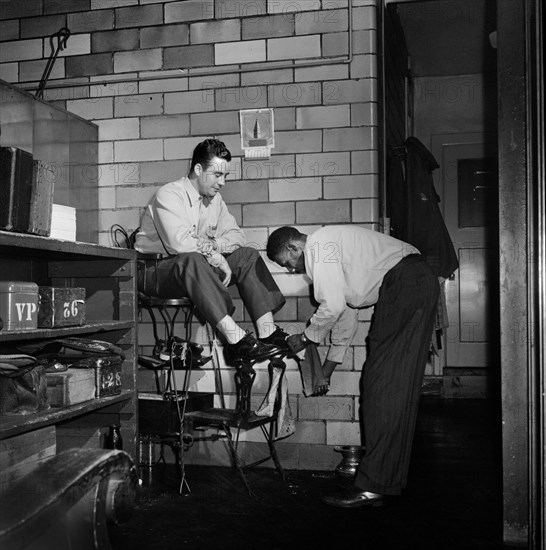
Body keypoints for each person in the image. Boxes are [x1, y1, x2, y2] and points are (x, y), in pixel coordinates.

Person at [266, 225, 439, 507]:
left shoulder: (319, 247)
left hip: (407, 283)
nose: (294, 270)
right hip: (414, 282)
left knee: (381, 386)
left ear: (293, 248)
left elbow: (331, 307)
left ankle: (374, 486)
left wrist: (306, 337)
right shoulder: (330, 248)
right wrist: (326, 369)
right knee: (391, 385)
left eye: (289, 264)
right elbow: (344, 317)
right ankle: (382, 482)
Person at [135, 138, 287, 362]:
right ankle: (235, 341)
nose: (222, 182)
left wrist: (216, 246)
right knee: (192, 259)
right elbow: (179, 244)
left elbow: (238, 236)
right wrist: (216, 257)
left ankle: (267, 334)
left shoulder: (215, 200)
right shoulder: (169, 194)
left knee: (248, 255)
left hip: (194, 269)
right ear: (198, 169)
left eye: (225, 176)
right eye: (217, 175)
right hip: (154, 271)